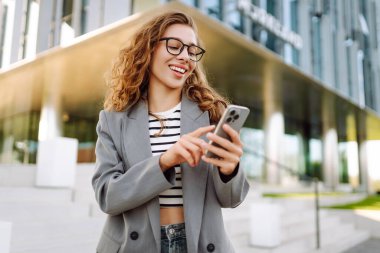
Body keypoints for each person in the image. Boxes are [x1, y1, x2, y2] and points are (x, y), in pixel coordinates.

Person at [92, 11, 250, 253]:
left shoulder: (211, 113)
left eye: (192, 50)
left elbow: (231, 199)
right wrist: (165, 161)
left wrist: (230, 171)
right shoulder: (113, 120)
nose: (185, 56)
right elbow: (107, 196)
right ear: (149, 49)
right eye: (174, 46)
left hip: (197, 245)